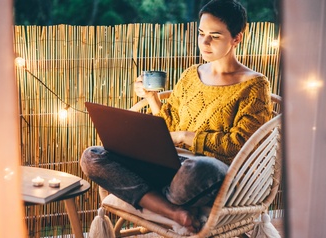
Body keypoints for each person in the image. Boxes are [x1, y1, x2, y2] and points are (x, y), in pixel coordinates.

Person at [80, 0, 272, 232]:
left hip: (209, 172)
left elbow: (242, 145)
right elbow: (168, 126)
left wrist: (184, 136)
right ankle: (173, 212)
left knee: (197, 168)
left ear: (237, 38)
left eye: (215, 36)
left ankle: (144, 194)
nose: (205, 42)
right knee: (93, 156)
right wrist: (152, 98)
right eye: (201, 33)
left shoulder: (254, 85)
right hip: (170, 164)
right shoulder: (191, 75)